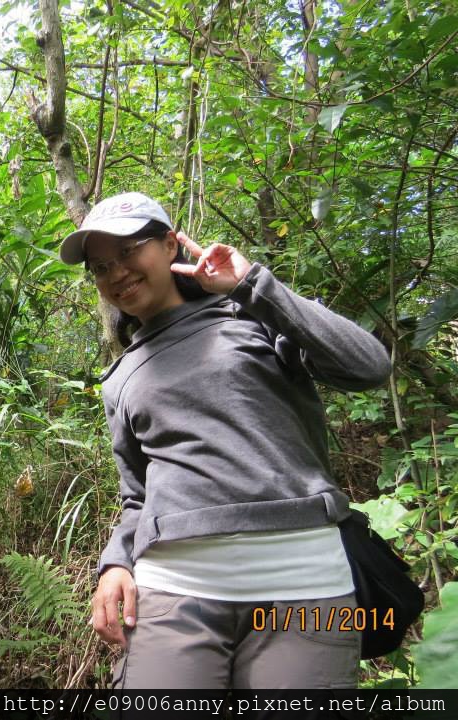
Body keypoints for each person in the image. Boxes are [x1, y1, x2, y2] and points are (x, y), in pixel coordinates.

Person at [59, 192, 391, 689]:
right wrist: (115, 564)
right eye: (101, 267)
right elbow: (138, 497)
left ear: (170, 245)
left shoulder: (252, 315)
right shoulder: (120, 377)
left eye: (128, 251)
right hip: (174, 589)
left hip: (305, 582)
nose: (117, 273)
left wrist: (251, 284)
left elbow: (368, 367)